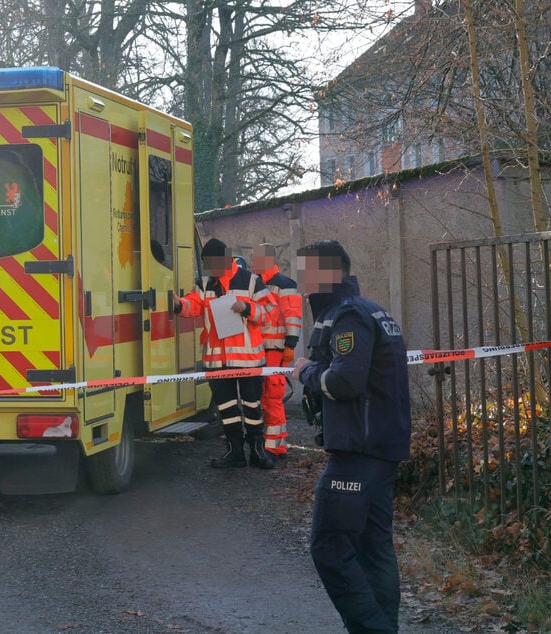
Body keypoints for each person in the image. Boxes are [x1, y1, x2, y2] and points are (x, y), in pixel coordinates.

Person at [291, 240, 411, 633]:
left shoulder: (350, 316)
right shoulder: (370, 310)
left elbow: (345, 381)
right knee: (373, 548)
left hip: (358, 450)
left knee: (329, 546)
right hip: (380, 447)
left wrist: (306, 371)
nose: (302, 280)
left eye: (307, 271)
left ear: (330, 273)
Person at [171, 238, 277, 469]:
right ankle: (235, 453)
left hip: (248, 360)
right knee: (227, 410)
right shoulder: (205, 284)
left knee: (252, 408)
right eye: (206, 263)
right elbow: (193, 305)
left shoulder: (251, 281)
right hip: (216, 362)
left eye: (212, 263)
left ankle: (257, 452)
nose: (209, 268)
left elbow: (269, 313)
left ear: (227, 259)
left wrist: (247, 308)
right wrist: (178, 305)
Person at [251, 243, 302, 458]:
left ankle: (275, 446)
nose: (254, 262)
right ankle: (266, 442)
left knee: (272, 397)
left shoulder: (284, 284)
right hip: (256, 350)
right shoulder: (255, 283)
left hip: (275, 350)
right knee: (260, 397)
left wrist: (290, 345)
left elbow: (292, 315)